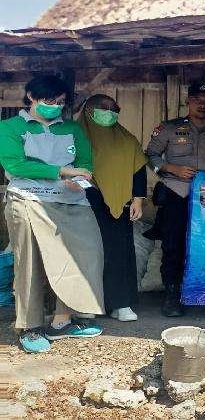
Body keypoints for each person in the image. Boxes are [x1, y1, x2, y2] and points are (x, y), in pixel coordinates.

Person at [0, 75, 104, 353]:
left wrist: (81, 176)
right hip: (28, 199)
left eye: (60, 102)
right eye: (49, 101)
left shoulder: (72, 128)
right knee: (30, 261)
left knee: (85, 254)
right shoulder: (9, 127)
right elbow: (16, 165)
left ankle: (62, 321)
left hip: (71, 199)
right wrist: (62, 171)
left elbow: (85, 162)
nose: (55, 106)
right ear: (31, 97)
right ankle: (30, 327)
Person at [145, 82, 205, 317]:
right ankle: (172, 295)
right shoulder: (169, 128)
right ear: (188, 102)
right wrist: (171, 167)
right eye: (197, 100)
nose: (202, 105)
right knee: (173, 245)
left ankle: (204, 292)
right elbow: (150, 154)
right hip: (176, 193)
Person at [78, 94, 148, 322]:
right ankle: (87, 302)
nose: (109, 112)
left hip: (119, 203)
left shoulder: (127, 139)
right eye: (103, 107)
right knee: (87, 252)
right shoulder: (75, 136)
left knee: (118, 252)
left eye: (113, 108)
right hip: (83, 200)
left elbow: (138, 169)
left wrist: (138, 199)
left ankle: (120, 303)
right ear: (89, 110)